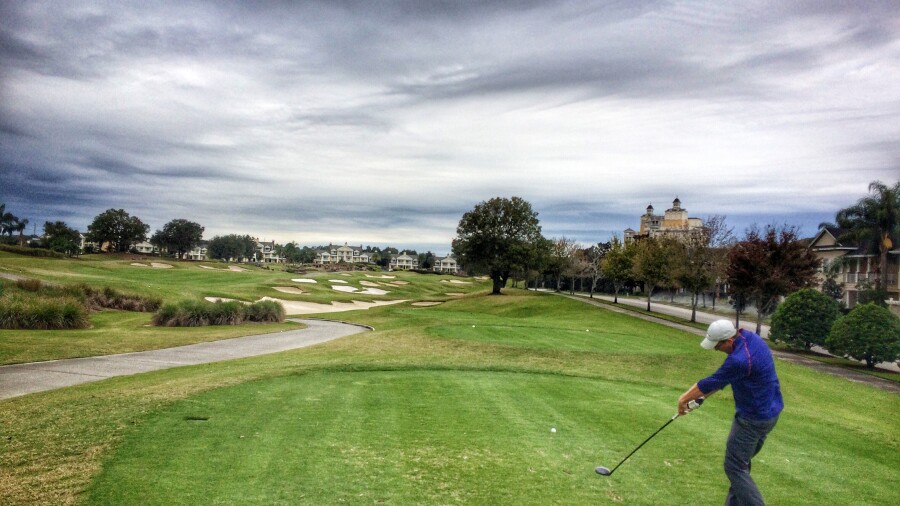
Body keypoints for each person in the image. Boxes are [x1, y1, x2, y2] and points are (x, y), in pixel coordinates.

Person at [678, 320, 783, 506]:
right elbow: (721, 382)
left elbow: (710, 382)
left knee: (734, 467)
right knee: (741, 465)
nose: (717, 350)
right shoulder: (750, 338)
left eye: (717, 346)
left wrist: (683, 399)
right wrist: (699, 400)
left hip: (752, 419)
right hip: (771, 414)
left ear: (728, 341)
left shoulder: (739, 360)